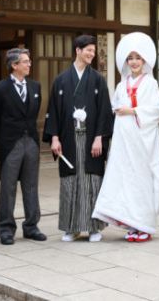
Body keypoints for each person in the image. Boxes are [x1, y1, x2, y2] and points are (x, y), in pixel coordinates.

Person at [92, 32, 159, 242]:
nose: (133, 62)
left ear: (144, 61)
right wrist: (120, 110)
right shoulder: (122, 85)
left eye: (137, 58)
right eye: (130, 58)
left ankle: (145, 225)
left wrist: (132, 111)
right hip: (124, 139)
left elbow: (156, 109)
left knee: (142, 179)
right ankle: (132, 223)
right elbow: (115, 105)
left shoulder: (151, 84)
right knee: (125, 178)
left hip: (143, 139)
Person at [43, 34, 113, 242]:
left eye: (93, 50)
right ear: (78, 51)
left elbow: (104, 112)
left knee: (92, 181)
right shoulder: (61, 80)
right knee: (70, 182)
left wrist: (99, 137)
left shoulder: (98, 80)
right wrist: (54, 138)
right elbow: (53, 111)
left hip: (92, 138)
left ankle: (94, 228)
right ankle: (70, 228)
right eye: (88, 50)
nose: (92, 53)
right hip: (68, 138)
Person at [0, 48, 46, 245]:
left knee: (31, 186)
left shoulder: (35, 86)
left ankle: (31, 226)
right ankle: (5, 228)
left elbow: (34, 113)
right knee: (8, 187)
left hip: (31, 142)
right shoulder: (0, 89)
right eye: (25, 61)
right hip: (11, 143)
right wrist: (4, 139)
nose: (29, 64)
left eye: (29, 61)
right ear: (14, 65)